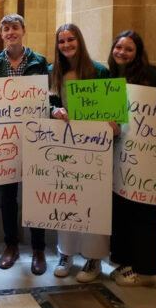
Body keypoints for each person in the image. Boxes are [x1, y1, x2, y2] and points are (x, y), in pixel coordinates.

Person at [0, 14, 49, 274]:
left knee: (34, 194)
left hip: (35, 136)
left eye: (15, 28)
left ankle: (38, 249)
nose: (11, 33)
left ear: (24, 31)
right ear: (1, 34)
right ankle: (10, 245)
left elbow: (48, 97)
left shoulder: (39, 62)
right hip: (4, 138)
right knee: (7, 196)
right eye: (6, 29)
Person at [48, 23, 112, 282]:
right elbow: (48, 103)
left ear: (79, 41)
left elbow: (112, 109)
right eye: (61, 41)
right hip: (65, 143)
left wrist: (111, 123)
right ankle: (66, 252)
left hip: (94, 145)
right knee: (65, 196)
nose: (66, 45)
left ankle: (94, 258)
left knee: (93, 199)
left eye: (70, 40)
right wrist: (54, 111)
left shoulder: (99, 71)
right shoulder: (53, 71)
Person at [107, 30, 156, 287]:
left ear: (138, 53)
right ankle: (125, 262)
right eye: (118, 47)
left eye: (128, 49)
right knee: (120, 210)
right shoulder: (108, 75)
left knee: (145, 210)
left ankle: (146, 268)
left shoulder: (151, 75)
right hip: (117, 153)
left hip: (146, 154)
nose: (122, 52)